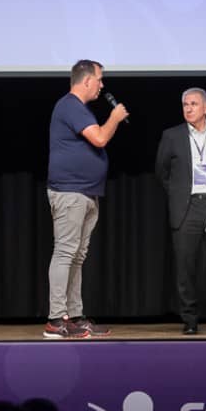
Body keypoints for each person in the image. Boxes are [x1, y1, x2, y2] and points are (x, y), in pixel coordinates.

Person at [44, 59, 128, 339]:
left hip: (86, 192)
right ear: (87, 80)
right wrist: (115, 118)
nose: (102, 86)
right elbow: (100, 138)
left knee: (77, 256)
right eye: (100, 80)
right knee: (66, 252)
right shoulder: (70, 105)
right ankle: (56, 320)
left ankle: (74, 316)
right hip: (70, 191)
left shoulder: (80, 109)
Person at [155, 87, 206, 334]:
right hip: (186, 207)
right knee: (185, 268)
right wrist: (178, 195)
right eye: (185, 105)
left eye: (193, 104)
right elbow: (162, 172)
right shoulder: (171, 136)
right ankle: (190, 321)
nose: (188, 109)